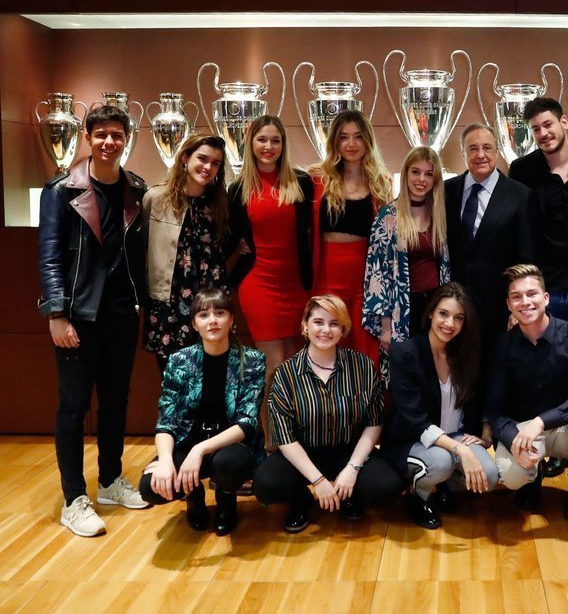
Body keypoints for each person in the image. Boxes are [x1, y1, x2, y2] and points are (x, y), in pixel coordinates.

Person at [38, 104, 150, 537]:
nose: (108, 142)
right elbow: (49, 256)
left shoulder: (135, 189)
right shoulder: (62, 190)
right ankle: (73, 498)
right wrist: (56, 313)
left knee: (116, 401)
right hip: (78, 317)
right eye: (101, 134)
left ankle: (108, 481)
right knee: (73, 407)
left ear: (126, 139)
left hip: (122, 313)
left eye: (116, 135)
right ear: (88, 137)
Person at [252, 295, 402, 533]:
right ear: (305, 326)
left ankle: (349, 495)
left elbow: (374, 423)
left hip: (348, 449)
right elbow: (284, 437)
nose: (326, 330)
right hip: (304, 450)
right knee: (267, 485)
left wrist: (353, 468)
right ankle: (301, 499)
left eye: (334, 323)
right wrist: (318, 481)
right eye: (318, 322)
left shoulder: (362, 366)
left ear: (343, 329)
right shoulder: (286, 374)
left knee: (387, 487)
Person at [486, 264, 568, 542]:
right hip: (523, 431)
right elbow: (495, 408)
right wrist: (514, 438)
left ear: (546, 298)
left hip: (565, 426)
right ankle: (532, 477)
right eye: (517, 297)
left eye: (532, 294)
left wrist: (542, 421)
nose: (525, 302)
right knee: (512, 477)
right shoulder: (502, 346)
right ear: (508, 304)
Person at [138, 288, 265, 536]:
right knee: (149, 487)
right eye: (204, 315)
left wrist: (200, 450)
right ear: (195, 324)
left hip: (230, 446)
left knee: (229, 464)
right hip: (188, 442)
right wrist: (165, 461)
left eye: (220, 313)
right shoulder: (179, 361)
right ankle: (192, 494)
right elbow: (166, 421)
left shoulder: (252, 360)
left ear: (231, 319)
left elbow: (247, 422)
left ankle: (226, 500)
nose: (213, 320)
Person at [381, 282, 498, 529]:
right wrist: (461, 451)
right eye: (443, 314)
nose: (449, 324)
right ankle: (418, 495)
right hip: (412, 439)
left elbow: (481, 398)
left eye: (458, 318)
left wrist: (484, 436)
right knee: (442, 461)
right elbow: (415, 420)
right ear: (431, 313)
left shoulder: (464, 354)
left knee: (489, 476)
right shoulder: (406, 353)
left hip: (454, 436)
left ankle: (444, 484)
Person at [228, 115, 314, 443]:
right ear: (251, 143)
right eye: (262, 140)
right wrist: (236, 244)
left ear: (283, 145)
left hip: (297, 285)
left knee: (296, 365)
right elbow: (227, 234)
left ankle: (300, 441)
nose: (269, 147)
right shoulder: (238, 189)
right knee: (272, 365)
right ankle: (271, 444)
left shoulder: (301, 183)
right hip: (259, 283)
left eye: (275, 140)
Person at [509, 98, 568, 360]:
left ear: (564, 122)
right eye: (536, 129)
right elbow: (518, 229)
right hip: (543, 286)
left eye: (547, 124)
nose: (543, 134)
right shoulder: (522, 170)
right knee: (547, 365)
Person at [445, 123, 537, 351]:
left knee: (495, 380)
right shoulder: (446, 191)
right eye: (473, 148)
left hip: (498, 310)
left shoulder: (520, 195)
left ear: (497, 151)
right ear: (463, 153)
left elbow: (527, 258)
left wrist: (517, 308)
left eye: (487, 147)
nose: (480, 155)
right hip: (454, 309)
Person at [311, 110, 393, 367]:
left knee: (364, 351)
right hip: (326, 274)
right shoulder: (317, 178)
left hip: (364, 280)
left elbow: (387, 239)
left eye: (358, 137)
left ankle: (365, 407)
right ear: (335, 142)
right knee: (327, 345)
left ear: (368, 141)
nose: (351, 144)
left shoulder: (382, 182)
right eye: (344, 137)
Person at [363, 146, 450, 384]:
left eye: (428, 174)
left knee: (433, 370)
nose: (421, 180)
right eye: (415, 172)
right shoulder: (387, 217)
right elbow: (376, 274)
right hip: (402, 308)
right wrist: (385, 325)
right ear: (405, 174)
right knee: (406, 374)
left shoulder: (440, 213)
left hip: (435, 305)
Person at [143, 134, 230, 374]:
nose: (208, 167)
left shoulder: (219, 203)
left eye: (215, 163)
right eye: (202, 159)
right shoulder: (155, 198)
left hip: (209, 303)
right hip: (168, 303)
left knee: (210, 379)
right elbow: (141, 249)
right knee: (174, 381)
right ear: (185, 157)